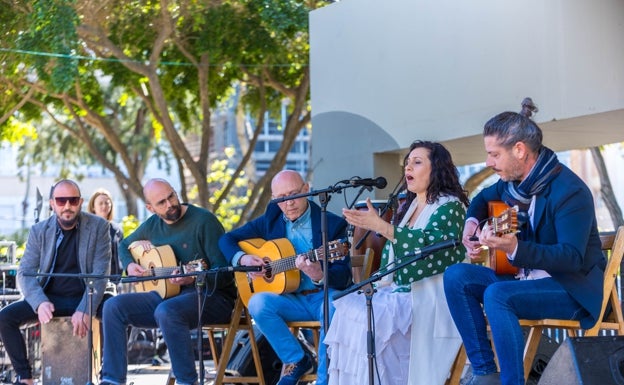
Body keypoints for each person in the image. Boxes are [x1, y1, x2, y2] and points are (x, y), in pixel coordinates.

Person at [443, 98, 606, 385]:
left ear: (519, 150)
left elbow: (571, 258)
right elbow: (482, 198)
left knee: (498, 295)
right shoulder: (512, 185)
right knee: (457, 276)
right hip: (524, 281)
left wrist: (514, 248)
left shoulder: (570, 191)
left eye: (494, 154)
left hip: (570, 289)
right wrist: (471, 223)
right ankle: (484, 373)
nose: (488, 162)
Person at [325, 140, 469, 385]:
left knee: (369, 317)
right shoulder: (411, 205)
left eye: (417, 162)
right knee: (349, 310)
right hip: (400, 293)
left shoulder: (450, 206)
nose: (408, 168)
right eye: (407, 163)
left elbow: (431, 248)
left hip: (431, 296)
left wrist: (381, 226)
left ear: (437, 169)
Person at [218, 170, 351, 385]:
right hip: (290, 299)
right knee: (258, 303)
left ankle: (325, 380)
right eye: (281, 199)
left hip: (322, 296)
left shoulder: (333, 224)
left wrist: (319, 275)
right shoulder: (271, 219)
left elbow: (344, 276)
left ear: (307, 190)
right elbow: (227, 239)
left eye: (293, 195)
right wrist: (243, 259)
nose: (288, 204)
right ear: (274, 199)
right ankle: (296, 359)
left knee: (333, 307)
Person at [99, 178, 237, 385]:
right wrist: (130, 265)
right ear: (150, 208)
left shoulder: (204, 221)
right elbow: (124, 244)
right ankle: (112, 379)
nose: (170, 204)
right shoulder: (153, 225)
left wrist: (194, 277)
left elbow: (226, 273)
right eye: (161, 202)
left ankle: (187, 381)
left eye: (171, 196)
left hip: (213, 297)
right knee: (112, 306)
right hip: (169, 296)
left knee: (168, 311)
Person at [0, 179, 112, 385]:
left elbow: (100, 274)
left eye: (73, 200)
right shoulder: (39, 231)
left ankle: (109, 375)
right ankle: (25, 378)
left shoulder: (99, 227)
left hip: (85, 296)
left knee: (118, 309)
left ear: (80, 202)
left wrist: (86, 308)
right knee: (5, 318)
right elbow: (25, 273)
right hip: (50, 299)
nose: (67, 206)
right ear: (52, 204)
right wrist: (39, 302)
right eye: (61, 201)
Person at [88, 188, 124, 278]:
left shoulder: (117, 229)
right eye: (100, 203)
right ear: (93, 207)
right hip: (93, 281)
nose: (104, 206)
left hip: (114, 280)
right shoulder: (87, 229)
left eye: (107, 203)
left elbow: (121, 256)